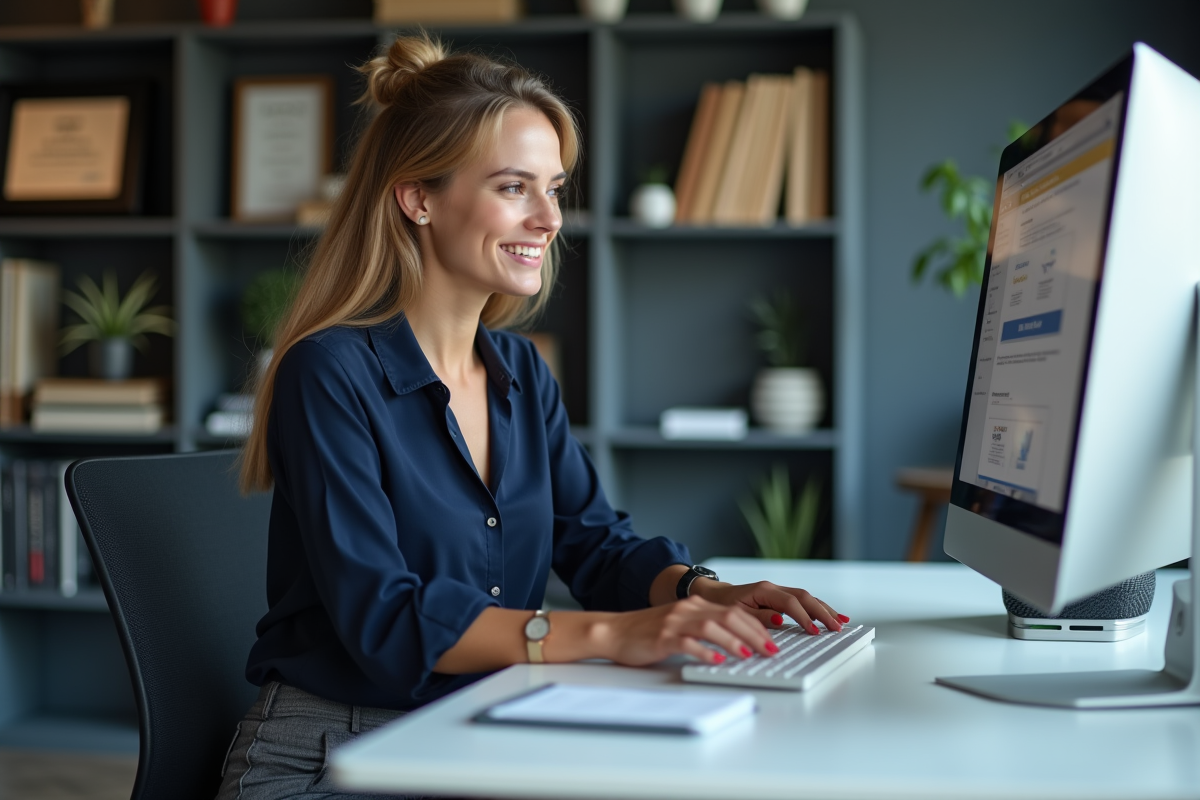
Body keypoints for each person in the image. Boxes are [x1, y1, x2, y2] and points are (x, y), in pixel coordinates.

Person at [216, 33, 849, 800]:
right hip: (334, 752)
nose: (549, 219)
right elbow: (386, 620)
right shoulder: (330, 372)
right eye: (514, 187)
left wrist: (701, 592)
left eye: (554, 188)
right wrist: (613, 633)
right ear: (418, 198)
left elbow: (593, 544)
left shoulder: (519, 371)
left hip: (477, 724)